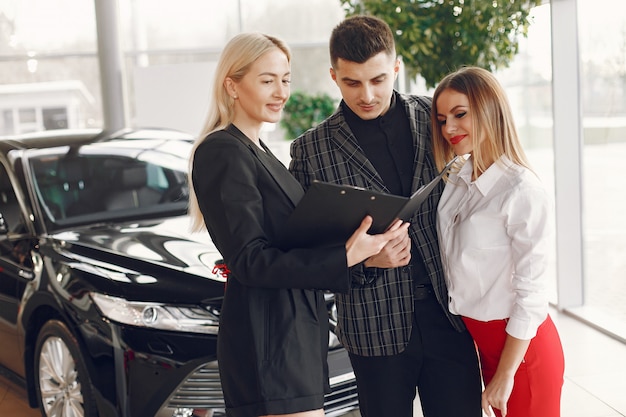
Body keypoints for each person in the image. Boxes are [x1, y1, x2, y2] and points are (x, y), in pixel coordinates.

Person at [188, 32, 409, 417]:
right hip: (270, 344)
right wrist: (343, 256)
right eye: (267, 79)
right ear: (232, 85)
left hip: (294, 340)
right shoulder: (222, 150)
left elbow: (294, 249)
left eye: (285, 79)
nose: (281, 92)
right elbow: (252, 261)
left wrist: (364, 258)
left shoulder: (258, 152)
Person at [289, 15, 482, 417]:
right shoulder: (311, 151)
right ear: (333, 76)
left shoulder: (436, 118)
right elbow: (307, 252)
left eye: (378, 79)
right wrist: (365, 261)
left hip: (451, 318)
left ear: (396, 67)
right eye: (352, 83)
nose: (368, 94)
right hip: (373, 327)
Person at [432, 66, 565, 417]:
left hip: (523, 352)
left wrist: (506, 373)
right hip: (482, 346)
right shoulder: (457, 180)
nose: (449, 128)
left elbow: (532, 293)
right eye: (443, 118)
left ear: (490, 110)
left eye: (461, 114)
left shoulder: (522, 190)